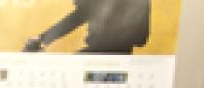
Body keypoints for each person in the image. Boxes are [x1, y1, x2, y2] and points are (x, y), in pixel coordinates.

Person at [22, 0, 150, 54]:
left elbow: (79, 15)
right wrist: (43, 38)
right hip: (120, 55)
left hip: (100, 55)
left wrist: (43, 39)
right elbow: (141, 39)